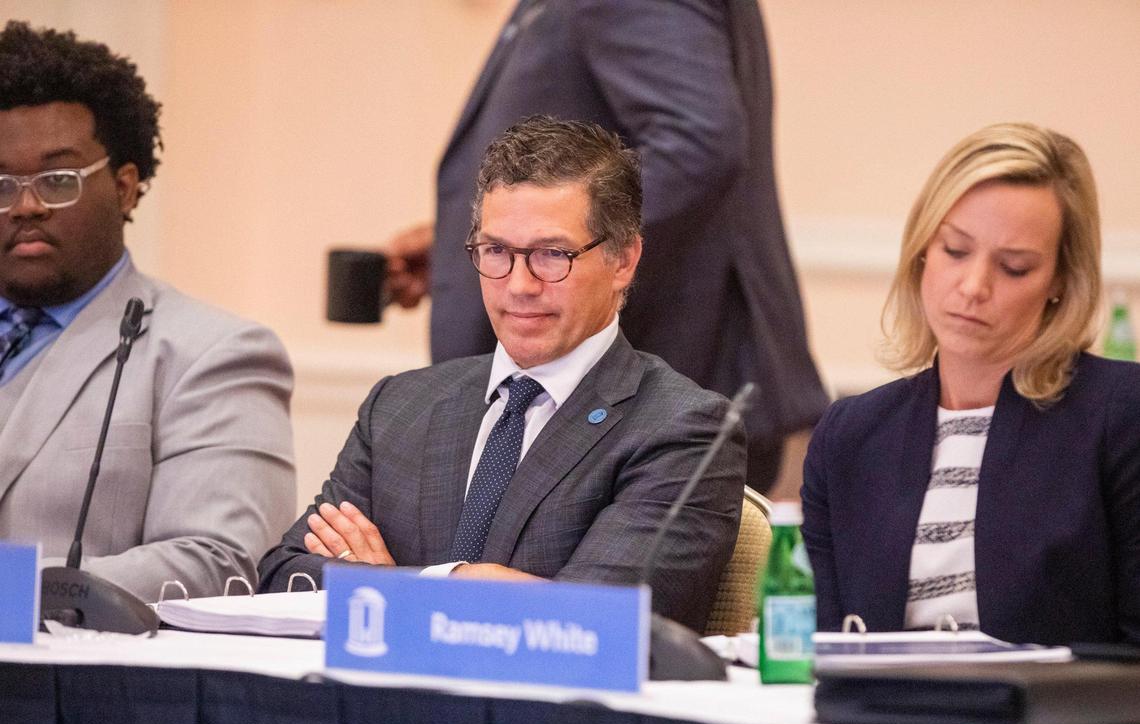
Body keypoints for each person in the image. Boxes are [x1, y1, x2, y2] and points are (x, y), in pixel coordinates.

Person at [261, 116, 744, 632]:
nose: (518, 285)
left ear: (623, 260)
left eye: (551, 255)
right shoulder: (400, 407)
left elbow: (595, 625)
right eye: (496, 252)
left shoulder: (682, 428)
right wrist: (450, 586)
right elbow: (286, 577)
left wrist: (389, 588)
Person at [382, 0, 827, 496]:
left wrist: (548, 249)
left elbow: (696, 148)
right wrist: (468, 248)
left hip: (638, 409)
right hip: (603, 413)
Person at [801, 123, 1140, 646]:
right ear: (921, 252)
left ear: (1059, 282)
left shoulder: (1120, 415)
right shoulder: (851, 433)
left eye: (1014, 267)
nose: (974, 287)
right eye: (955, 251)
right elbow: (829, 648)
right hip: (882, 721)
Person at [0, 21, 296, 601]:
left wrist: (16, 594)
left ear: (126, 186)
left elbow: (219, 561)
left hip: (73, 683)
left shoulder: (214, 353)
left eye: (58, 180)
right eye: (2, 184)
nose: (26, 206)